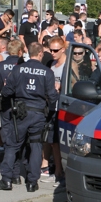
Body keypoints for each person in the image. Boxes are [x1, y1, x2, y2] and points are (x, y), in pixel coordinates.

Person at [0, 43, 58, 192]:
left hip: (20, 113)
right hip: (38, 114)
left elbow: (6, 92)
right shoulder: (47, 72)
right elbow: (52, 98)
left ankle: (6, 179)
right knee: (36, 145)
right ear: (40, 54)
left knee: (12, 145)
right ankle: (32, 182)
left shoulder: (18, 69)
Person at [0, 40, 25, 188]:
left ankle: (7, 177)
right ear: (20, 51)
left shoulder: (0, 66)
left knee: (9, 141)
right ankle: (15, 175)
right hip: (21, 107)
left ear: (8, 51)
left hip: (5, 106)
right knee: (16, 140)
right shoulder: (24, 67)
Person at [42, 36, 65, 183]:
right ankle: (52, 167)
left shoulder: (67, 66)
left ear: (63, 49)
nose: (53, 52)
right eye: (51, 50)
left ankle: (58, 171)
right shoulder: (52, 64)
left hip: (62, 108)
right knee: (51, 140)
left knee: (57, 141)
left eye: (56, 50)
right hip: (51, 105)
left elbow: (74, 84)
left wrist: (61, 86)